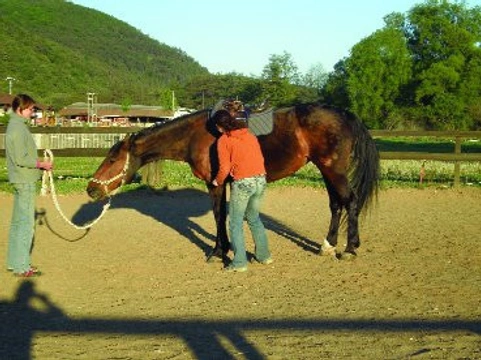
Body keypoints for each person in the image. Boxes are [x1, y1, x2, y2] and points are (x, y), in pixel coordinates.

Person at [211, 109, 272, 272]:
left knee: (235, 223)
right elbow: (260, 158)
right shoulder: (250, 135)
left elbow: (224, 167)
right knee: (254, 218)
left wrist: (217, 181)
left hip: (243, 183)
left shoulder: (223, 140)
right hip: (260, 179)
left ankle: (239, 263)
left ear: (219, 126)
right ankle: (264, 256)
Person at [5, 94, 53, 277]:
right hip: (24, 180)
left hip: (20, 178)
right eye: (30, 109)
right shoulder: (18, 129)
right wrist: (41, 164)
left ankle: (15, 263)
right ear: (20, 109)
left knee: (18, 223)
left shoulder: (15, 126)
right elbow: (20, 158)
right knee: (25, 224)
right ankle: (22, 266)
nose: (32, 112)